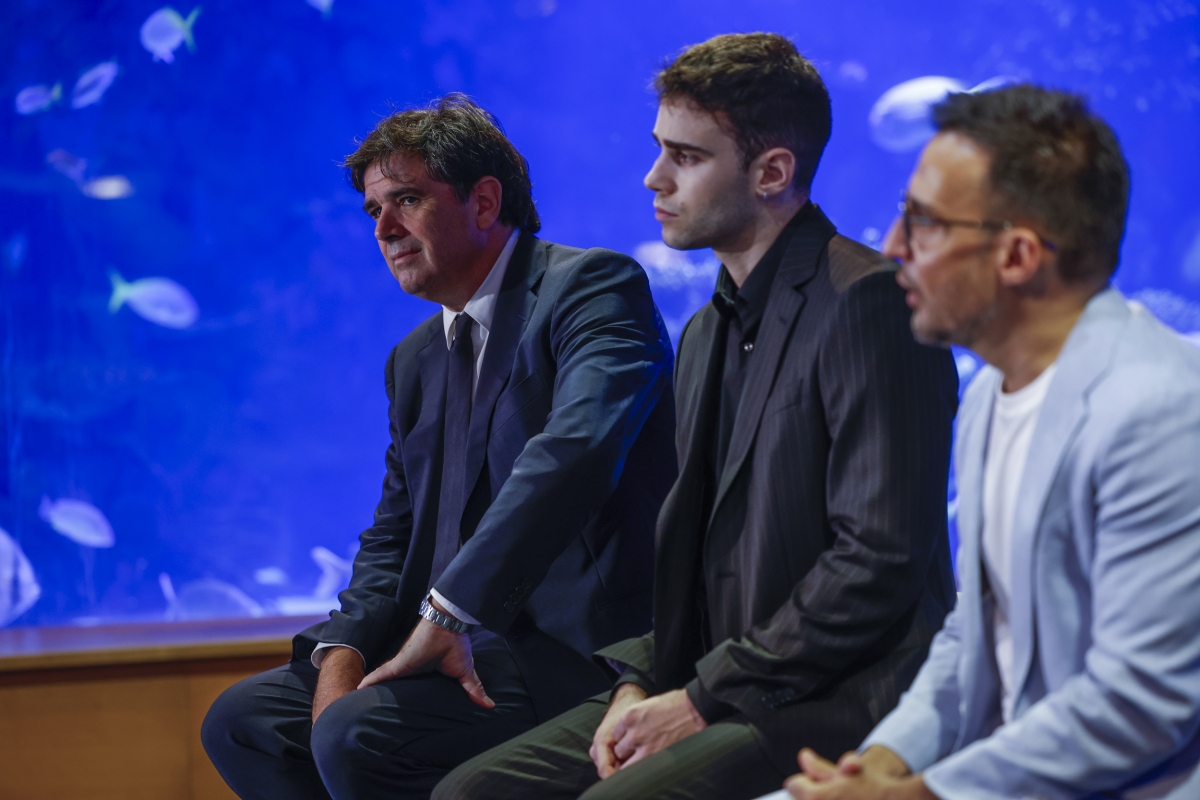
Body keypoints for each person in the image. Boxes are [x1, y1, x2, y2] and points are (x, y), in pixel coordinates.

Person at [434, 33, 959, 800]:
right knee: (471, 794)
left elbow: (877, 564)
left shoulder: (872, 302)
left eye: (686, 157)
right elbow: (692, 558)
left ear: (774, 171)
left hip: (840, 694)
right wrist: (640, 681)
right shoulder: (707, 329)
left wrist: (701, 699)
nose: (654, 177)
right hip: (717, 675)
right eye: (659, 149)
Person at [201, 94, 678, 800]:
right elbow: (393, 532)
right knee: (243, 721)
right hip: (454, 637)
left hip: (572, 648)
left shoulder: (591, 288)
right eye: (374, 211)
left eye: (408, 200)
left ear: (485, 202)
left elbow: (572, 453)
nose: (385, 229)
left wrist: (447, 612)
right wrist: (343, 655)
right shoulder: (414, 357)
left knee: (356, 734)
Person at [783, 86, 1200, 800]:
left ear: (1017, 254)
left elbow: (1139, 703)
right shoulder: (985, 395)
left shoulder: (1159, 411)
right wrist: (881, 762)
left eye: (923, 222)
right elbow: (969, 641)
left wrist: (920, 794)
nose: (891, 247)